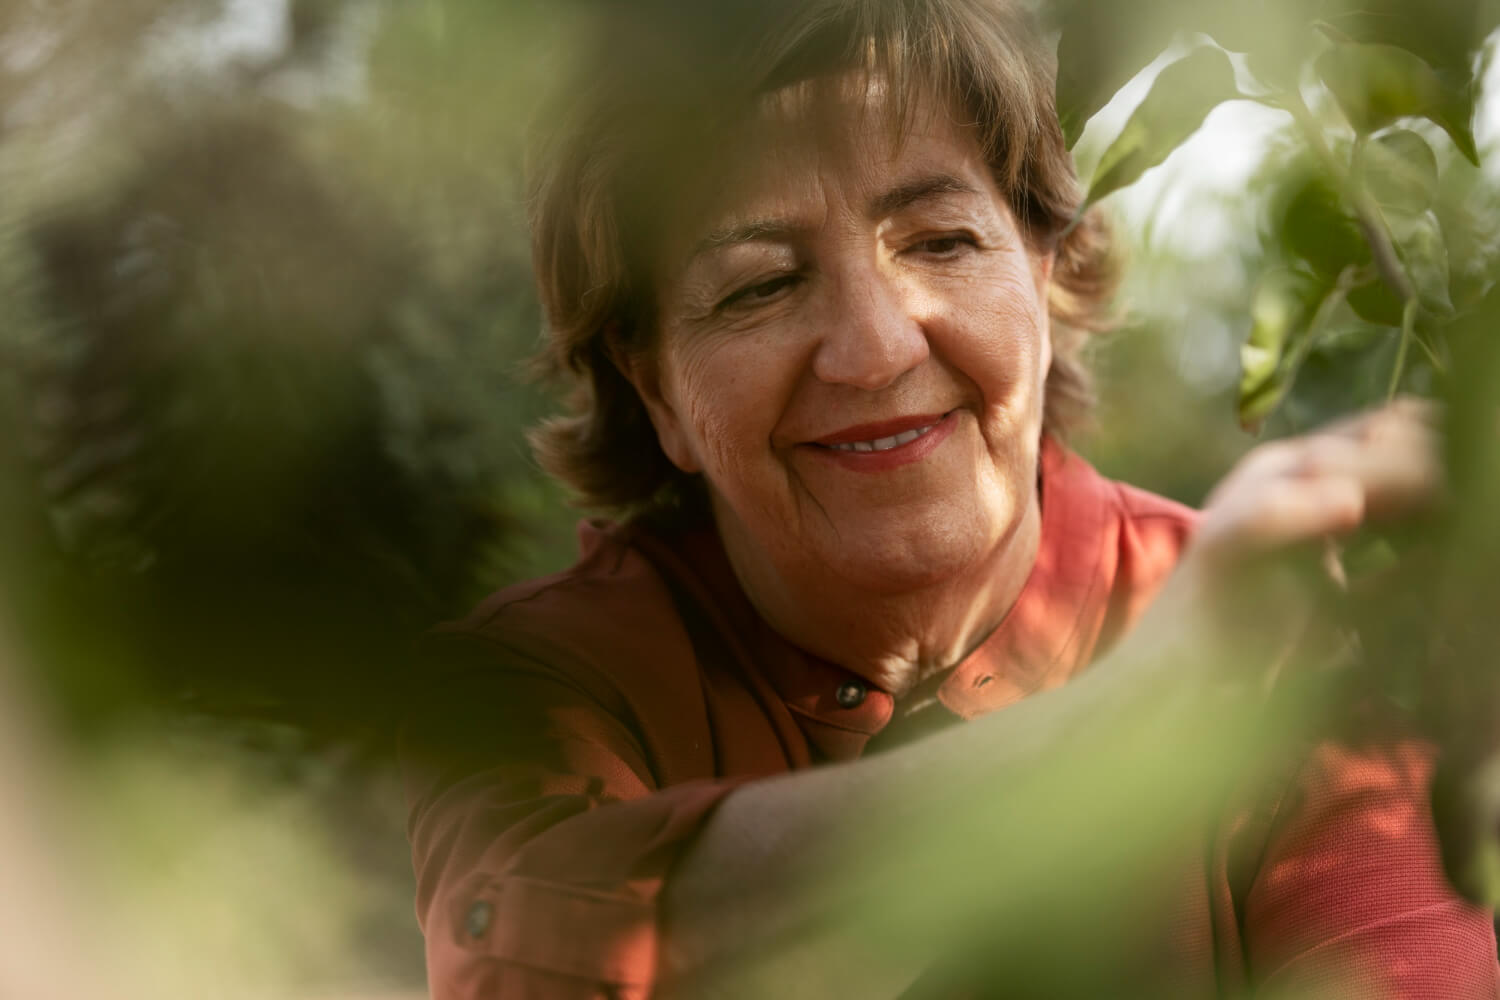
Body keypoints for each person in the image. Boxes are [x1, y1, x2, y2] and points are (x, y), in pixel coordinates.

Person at [400, 1, 1500, 997]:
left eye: (940, 240)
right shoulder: (537, 690)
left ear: (1050, 274)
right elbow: (534, 956)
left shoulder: (1288, 628)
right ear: (658, 392)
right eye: (764, 283)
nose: (876, 349)